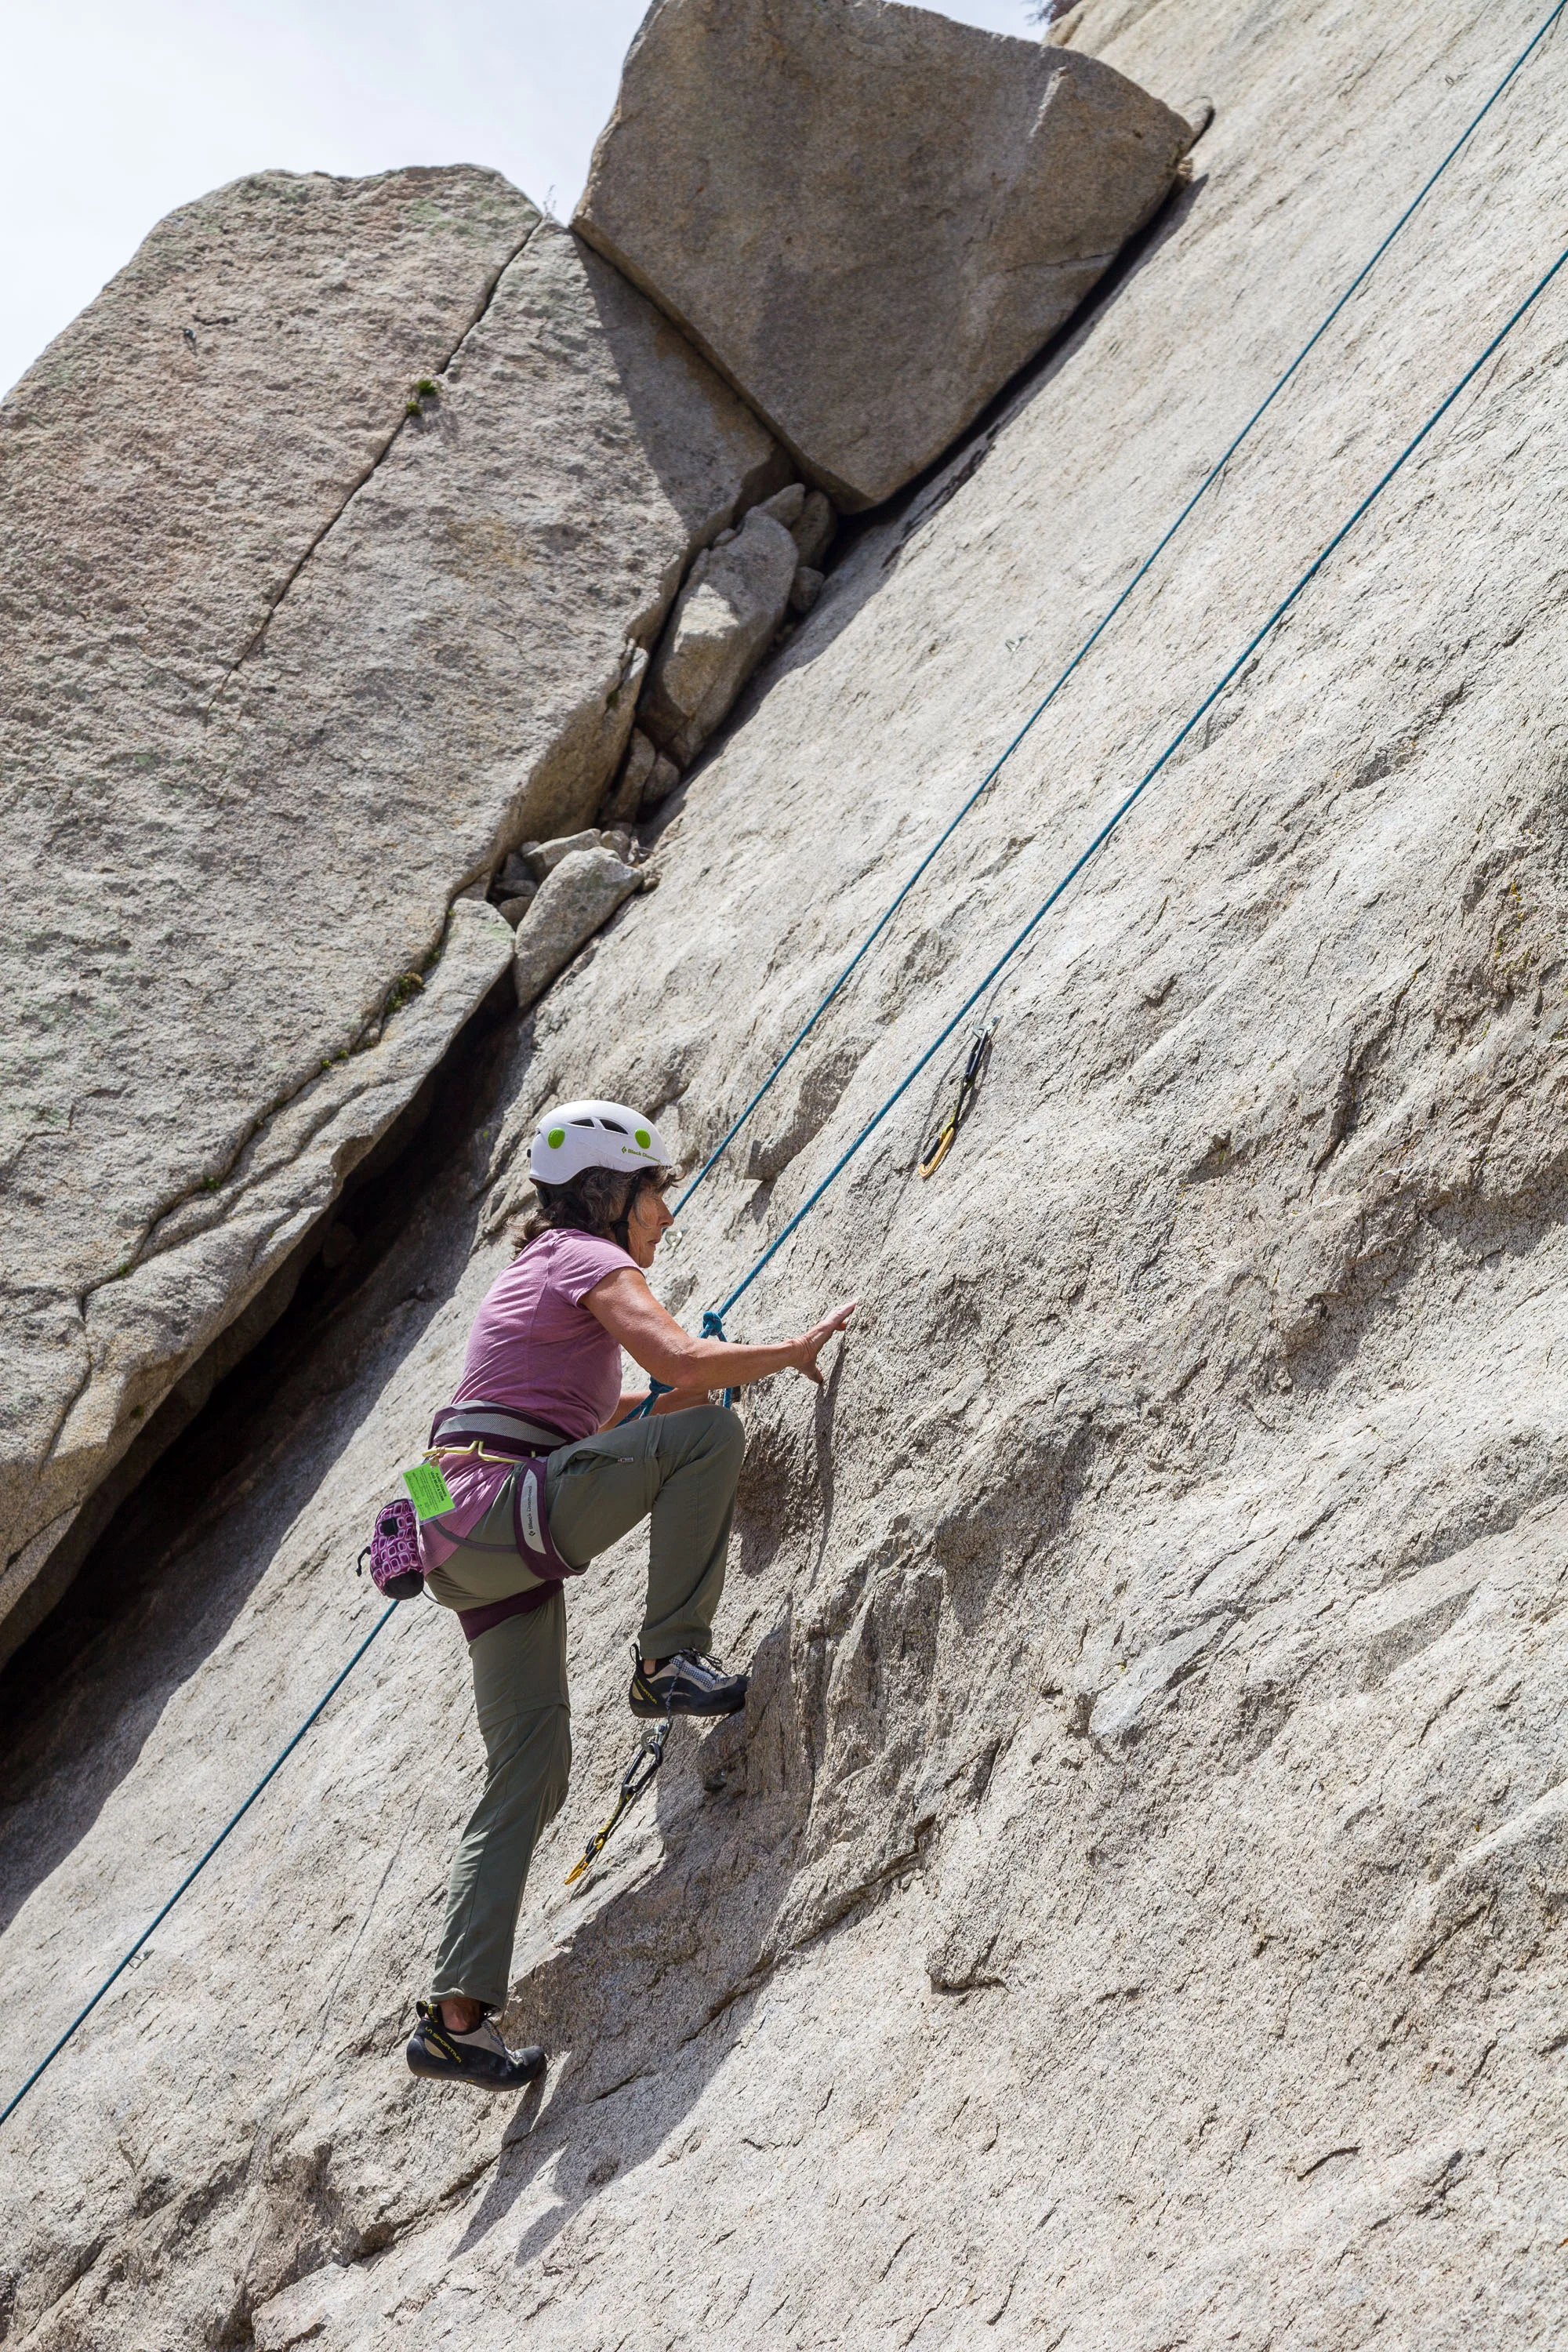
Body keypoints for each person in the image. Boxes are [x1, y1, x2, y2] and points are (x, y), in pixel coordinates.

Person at [405, 1099, 857, 2092]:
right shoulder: (581, 1257)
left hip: (453, 1530)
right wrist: (783, 1353)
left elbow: (613, 1408)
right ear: (609, 1192)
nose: (666, 1213)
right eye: (654, 1192)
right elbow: (676, 1367)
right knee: (706, 1438)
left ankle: (454, 2019)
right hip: (500, 1507)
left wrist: (684, 1386)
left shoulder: (533, 1276)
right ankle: (666, 1658)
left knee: (530, 1764)